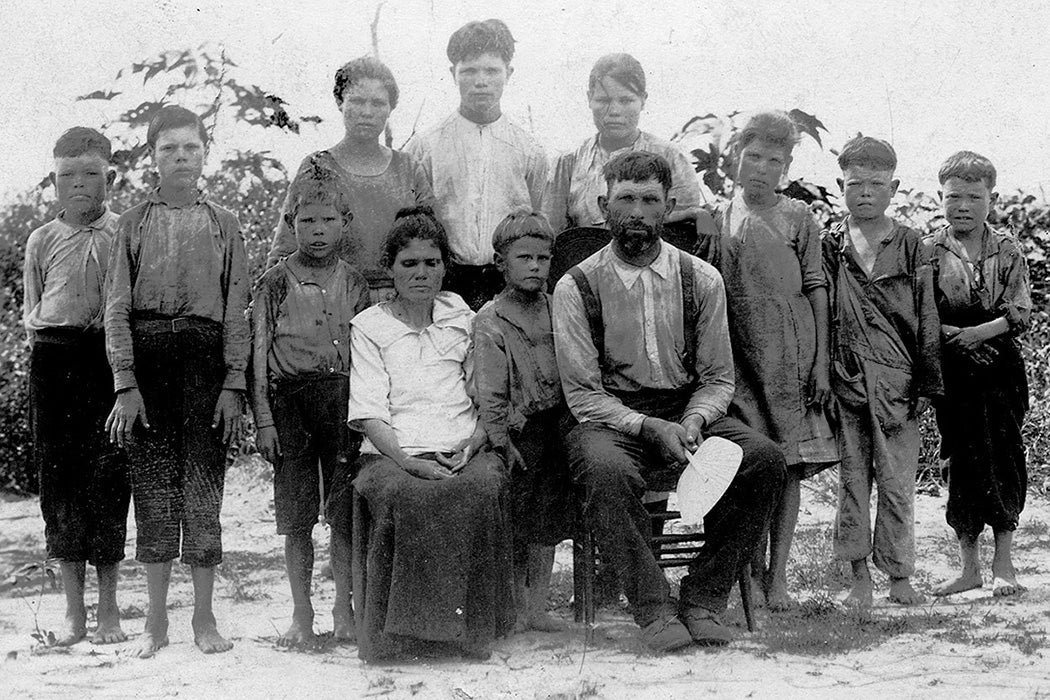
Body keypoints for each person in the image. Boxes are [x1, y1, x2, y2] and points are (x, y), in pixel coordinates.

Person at [553, 151, 786, 653]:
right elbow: (582, 393)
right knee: (604, 470)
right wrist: (645, 427)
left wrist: (696, 418)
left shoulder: (701, 278)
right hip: (609, 417)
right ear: (603, 205)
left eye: (649, 200)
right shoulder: (576, 286)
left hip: (687, 411)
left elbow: (719, 378)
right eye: (625, 199)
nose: (637, 211)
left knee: (764, 461)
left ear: (668, 206)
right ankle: (654, 608)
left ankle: (702, 598)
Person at [105, 106, 250, 656]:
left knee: (202, 487)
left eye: (191, 147)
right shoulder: (133, 222)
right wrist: (126, 381)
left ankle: (205, 619)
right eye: (169, 149)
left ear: (205, 153)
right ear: (151, 157)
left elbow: (237, 307)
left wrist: (233, 381)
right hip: (148, 361)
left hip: (205, 360)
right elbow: (117, 308)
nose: (181, 157)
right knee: (154, 489)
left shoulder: (224, 223)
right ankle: (155, 622)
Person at [346, 207, 514, 661]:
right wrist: (405, 460)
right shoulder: (370, 327)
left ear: (444, 266)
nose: (422, 273)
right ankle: (401, 638)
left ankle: (470, 634)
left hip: (462, 445)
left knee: (479, 485)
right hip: (392, 452)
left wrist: (475, 442)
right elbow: (369, 412)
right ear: (390, 269)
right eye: (409, 264)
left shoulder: (462, 317)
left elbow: (486, 394)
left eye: (431, 263)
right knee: (408, 494)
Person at [696, 111, 837, 611]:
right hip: (738, 358)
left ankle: (778, 579)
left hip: (790, 359)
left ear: (787, 166)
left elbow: (817, 287)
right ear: (736, 156)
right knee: (748, 467)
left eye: (773, 161)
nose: (760, 168)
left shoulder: (800, 217)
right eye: (752, 156)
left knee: (790, 469)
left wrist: (820, 363)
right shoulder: (717, 217)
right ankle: (749, 576)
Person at [251, 160, 371, 647]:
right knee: (297, 514)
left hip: (341, 401)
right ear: (291, 224)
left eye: (327, 221)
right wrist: (263, 419)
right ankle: (302, 612)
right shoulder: (274, 282)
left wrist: (365, 415)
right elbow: (257, 355)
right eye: (306, 222)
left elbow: (367, 353)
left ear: (344, 223)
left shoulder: (356, 283)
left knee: (342, 509)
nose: (317, 231)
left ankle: (344, 608)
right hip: (289, 403)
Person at [822, 136, 942, 607]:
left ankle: (898, 575)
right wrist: (824, 372)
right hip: (847, 377)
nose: (865, 193)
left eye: (876, 184)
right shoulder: (830, 243)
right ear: (841, 185)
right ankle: (857, 577)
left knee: (896, 481)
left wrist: (928, 381)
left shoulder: (911, 244)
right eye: (856, 184)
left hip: (899, 382)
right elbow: (820, 308)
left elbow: (927, 314)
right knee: (853, 479)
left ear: (893, 187)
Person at [22, 127, 130, 646]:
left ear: (110, 176)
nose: (80, 185)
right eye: (68, 176)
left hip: (108, 360)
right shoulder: (41, 239)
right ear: (54, 182)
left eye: (91, 174)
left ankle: (109, 606)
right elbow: (34, 307)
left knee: (109, 475)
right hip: (55, 360)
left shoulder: (125, 232)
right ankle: (73, 610)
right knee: (59, 480)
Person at [924, 152, 1031, 598]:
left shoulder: (1007, 250)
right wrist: (954, 335)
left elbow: (1019, 311)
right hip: (954, 367)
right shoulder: (929, 249)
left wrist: (979, 333)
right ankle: (969, 568)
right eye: (954, 197)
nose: (963, 205)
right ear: (940, 198)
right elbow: (921, 312)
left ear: (992, 198)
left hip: (1000, 366)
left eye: (974, 196)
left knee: (1003, 456)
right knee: (961, 459)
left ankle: (1004, 563)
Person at [473, 210, 575, 633]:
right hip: (519, 433)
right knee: (517, 519)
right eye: (524, 258)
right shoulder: (490, 320)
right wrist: (500, 438)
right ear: (501, 262)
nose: (535, 266)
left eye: (544, 258)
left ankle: (537, 605)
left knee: (548, 522)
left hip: (558, 426)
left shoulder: (560, 308)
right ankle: (513, 606)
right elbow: (490, 391)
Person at [406, 19, 547, 310]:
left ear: (508, 73)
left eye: (491, 71)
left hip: (508, 282)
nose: (481, 81)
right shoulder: (425, 146)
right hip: (445, 282)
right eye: (469, 71)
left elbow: (538, 215)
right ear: (452, 73)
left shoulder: (529, 149)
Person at [266, 56, 432, 302]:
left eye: (378, 103)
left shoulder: (408, 167)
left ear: (390, 108)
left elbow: (431, 245)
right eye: (357, 101)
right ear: (339, 102)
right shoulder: (317, 166)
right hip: (331, 301)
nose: (367, 112)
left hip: (398, 301)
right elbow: (286, 247)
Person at [544, 53, 701, 234]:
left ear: (643, 100)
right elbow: (552, 235)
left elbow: (685, 233)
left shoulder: (672, 158)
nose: (614, 111)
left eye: (626, 100)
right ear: (589, 99)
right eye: (603, 100)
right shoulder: (567, 163)